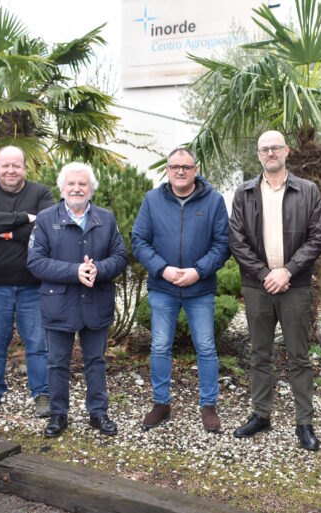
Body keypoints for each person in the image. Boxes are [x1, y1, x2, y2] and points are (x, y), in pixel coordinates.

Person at [229, 130, 321, 451]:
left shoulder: (307, 190)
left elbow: (318, 236)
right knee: (260, 353)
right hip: (256, 287)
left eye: (275, 148)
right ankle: (261, 414)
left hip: (294, 286)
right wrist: (264, 274)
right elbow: (236, 240)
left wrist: (288, 271)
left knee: (299, 356)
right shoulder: (244, 192)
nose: (269, 153)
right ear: (258, 155)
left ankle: (304, 423)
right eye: (264, 149)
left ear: (286, 151)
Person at [131, 148, 230, 432]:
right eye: (175, 166)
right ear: (167, 170)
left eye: (186, 167)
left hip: (200, 288)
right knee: (160, 346)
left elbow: (223, 244)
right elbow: (139, 240)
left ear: (196, 170)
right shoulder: (152, 200)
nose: (181, 171)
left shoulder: (214, 201)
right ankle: (161, 403)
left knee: (206, 347)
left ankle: (208, 404)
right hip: (163, 287)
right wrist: (162, 269)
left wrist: (198, 271)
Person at [27, 162, 127, 438]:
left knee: (96, 361)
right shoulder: (45, 219)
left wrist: (98, 269)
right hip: (58, 304)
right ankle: (58, 415)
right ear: (61, 188)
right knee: (57, 363)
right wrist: (75, 271)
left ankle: (98, 413)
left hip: (96, 302)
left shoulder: (106, 218)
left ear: (91, 189)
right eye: (71, 184)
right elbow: (35, 262)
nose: (77, 188)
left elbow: (120, 257)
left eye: (83, 184)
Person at [0, 146, 54, 418]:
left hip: (33, 284)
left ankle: (42, 393)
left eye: (16, 166)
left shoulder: (41, 193)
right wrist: (23, 219)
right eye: (5, 166)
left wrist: (4, 232)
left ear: (24, 168)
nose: (10, 171)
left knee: (38, 345)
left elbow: (45, 228)